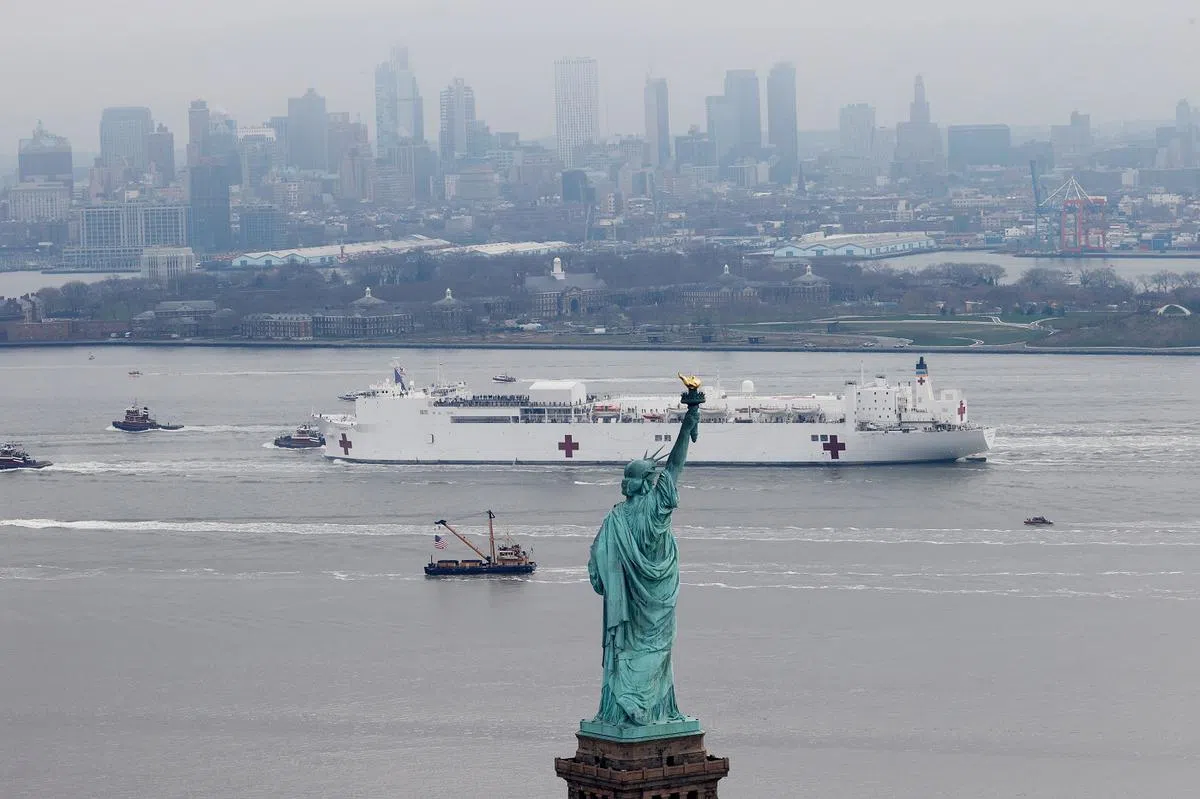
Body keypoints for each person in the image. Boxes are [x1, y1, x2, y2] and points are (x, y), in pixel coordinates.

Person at [586, 399, 699, 727]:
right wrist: (688, 422)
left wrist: (612, 583)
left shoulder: (615, 519)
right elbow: (675, 465)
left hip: (627, 603)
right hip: (659, 595)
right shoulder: (657, 507)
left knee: (627, 649)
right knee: (659, 650)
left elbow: (596, 569)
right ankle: (656, 709)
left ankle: (621, 708)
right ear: (650, 481)